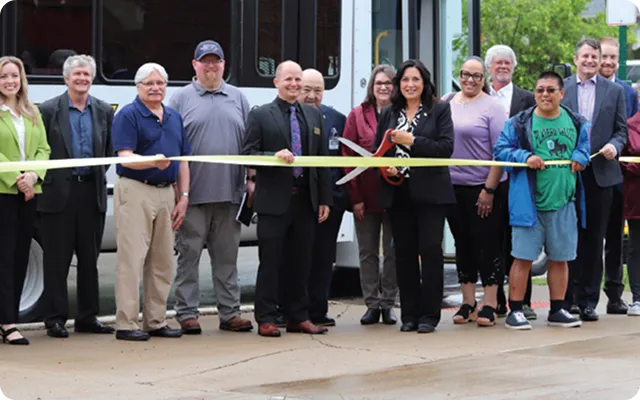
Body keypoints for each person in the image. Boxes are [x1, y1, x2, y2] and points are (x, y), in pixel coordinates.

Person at [494, 71, 591, 330]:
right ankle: (515, 311)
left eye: (550, 90)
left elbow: (584, 147)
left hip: (564, 202)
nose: (545, 95)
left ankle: (558, 309)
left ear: (562, 93)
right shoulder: (518, 123)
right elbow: (500, 150)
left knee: (560, 258)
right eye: (540, 90)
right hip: (528, 204)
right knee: (523, 257)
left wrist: (582, 156)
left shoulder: (578, 122)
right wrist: (524, 156)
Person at [242, 60, 332, 338]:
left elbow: (322, 161)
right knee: (271, 262)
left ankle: (298, 316)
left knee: (302, 261)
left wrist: (324, 199)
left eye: (298, 80)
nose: (294, 85)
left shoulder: (313, 116)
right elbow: (247, 154)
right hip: (274, 202)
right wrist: (273, 157)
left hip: (305, 201)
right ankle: (266, 318)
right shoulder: (260, 115)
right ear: (276, 82)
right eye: (288, 80)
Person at [169, 40, 254, 335]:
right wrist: (178, 193)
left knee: (227, 259)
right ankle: (187, 313)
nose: (211, 66)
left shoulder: (238, 98)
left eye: (215, 61)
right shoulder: (180, 99)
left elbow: (249, 144)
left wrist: (251, 180)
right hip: (192, 197)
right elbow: (172, 146)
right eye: (205, 61)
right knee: (188, 257)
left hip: (230, 195)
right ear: (194, 65)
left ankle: (230, 313)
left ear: (223, 65)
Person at [111, 63, 192, 342]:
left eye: (160, 83)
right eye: (149, 83)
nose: (156, 87)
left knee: (162, 260)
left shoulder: (173, 117)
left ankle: (155, 321)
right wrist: (151, 162)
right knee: (132, 260)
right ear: (138, 87)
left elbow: (182, 161)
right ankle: (126, 324)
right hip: (136, 190)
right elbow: (124, 156)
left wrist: (183, 197)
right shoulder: (128, 115)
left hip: (167, 192)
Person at [374, 59, 455, 334]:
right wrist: (387, 166)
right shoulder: (389, 112)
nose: (410, 85)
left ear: (425, 83)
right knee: (403, 253)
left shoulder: (439, 109)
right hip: (398, 192)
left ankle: (429, 316)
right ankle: (409, 314)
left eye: (415, 80)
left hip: (431, 194)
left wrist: (412, 142)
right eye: (405, 80)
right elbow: (378, 151)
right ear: (399, 84)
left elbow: (445, 148)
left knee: (430, 251)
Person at [38, 55, 115, 338]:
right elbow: (40, 149)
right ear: (66, 78)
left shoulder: (104, 110)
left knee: (88, 259)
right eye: (77, 74)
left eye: (86, 74)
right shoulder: (48, 110)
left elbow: (107, 151)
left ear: (92, 78)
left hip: (90, 191)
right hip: (58, 194)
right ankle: (55, 319)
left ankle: (87, 317)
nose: (82, 79)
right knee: (56, 260)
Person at [561, 38, 628, 322]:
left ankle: (588, 300)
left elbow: (621, 130)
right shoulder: (561, 88)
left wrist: (616, 145)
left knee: (594, 239)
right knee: (567, 236)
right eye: (585, 56)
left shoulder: (614, 91)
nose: (590, 61)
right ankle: (567, 299)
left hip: (602, 175)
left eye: (594, 57)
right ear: (576, 59)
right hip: (568, 174)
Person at [447, 56, 508, 328]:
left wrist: (489, 189)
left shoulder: (493, 107)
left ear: (484, 79)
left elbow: (501, 152)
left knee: (488, 244)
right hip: (452, 188)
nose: (470, 80)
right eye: (465, 74)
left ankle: (491, 302)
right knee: (463, 244)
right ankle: (468, 301)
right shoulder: (447, 102)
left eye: (476, 76)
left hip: (483, 188)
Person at [342, 64, 399, 326]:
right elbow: (347, 159)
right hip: (364, 196)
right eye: (379, 83)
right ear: (372, 87)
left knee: (392, 252)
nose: (384, 87)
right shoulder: (357, 115)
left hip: (394, 195)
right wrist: (355, 198)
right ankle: (371, 304)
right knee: (367, 252)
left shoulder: (401, 114)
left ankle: (388, 303)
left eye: (388, 83)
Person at [0, 56, 51, 345]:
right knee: (3, 259)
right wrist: (17, 178)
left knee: (20, 257)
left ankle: (9, 319)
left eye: (14, 76)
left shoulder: (32, 112)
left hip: (29, 193)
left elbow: (44, 148)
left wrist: (32, 176)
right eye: (4, 76)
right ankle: (7, 323)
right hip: (3, 193)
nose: (10, 81)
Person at [485, 44, 537, 320]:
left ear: (513, 67)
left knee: (520, 240)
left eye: (507, 63)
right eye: (498, 63)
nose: (503, 67)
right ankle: (497, 299)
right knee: (493, 239)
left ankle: (524, 300)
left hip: (518, 180)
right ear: (489, 68)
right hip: (488, 181)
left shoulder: (527, 98)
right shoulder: (478, 96)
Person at [296, 68, 347, 327]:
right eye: (307, 89)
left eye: (317, 90)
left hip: (331, 201)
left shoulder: (337, 119)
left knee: (324, 258)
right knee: (297, 257)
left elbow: (342, 162)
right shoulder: (289, 117)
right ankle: (295, 310)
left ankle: (318, 309)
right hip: (299, 202)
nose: (312, 96)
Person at [598, 36, 639, 315]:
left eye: (614, 57)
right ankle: (579, 294)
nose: (609, 62)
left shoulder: (627, 92)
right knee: (587, 237)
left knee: (615, 237)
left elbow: (632, 132)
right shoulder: (576, 89)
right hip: (587, 172)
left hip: (619, 176)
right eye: (605, 57)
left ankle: (614, 294)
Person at [623, 110, 640, 317]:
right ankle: (637, 297)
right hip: (637, 197)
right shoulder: (630, 126)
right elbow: (624, 160)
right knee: (637, 247)